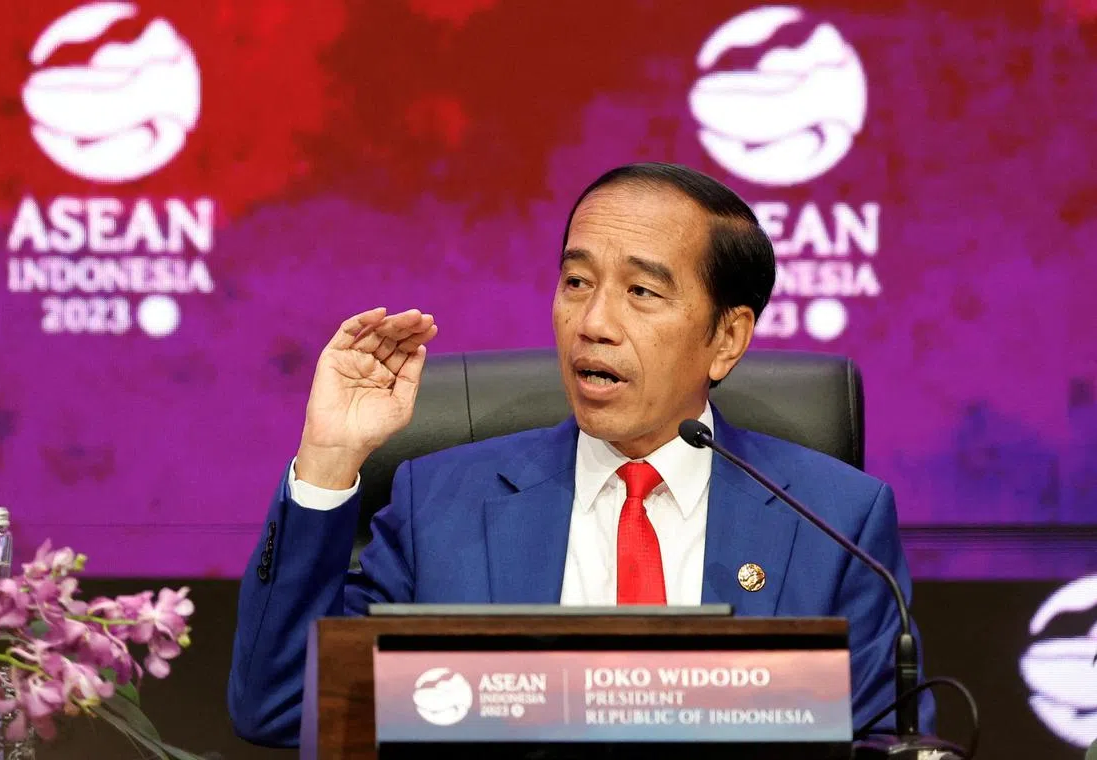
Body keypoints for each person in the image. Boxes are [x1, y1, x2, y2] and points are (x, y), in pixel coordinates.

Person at [227, 162, 934, 746]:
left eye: (641, 292)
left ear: (726, 338)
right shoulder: (442, 503)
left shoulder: (832, 520)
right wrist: (327, 458)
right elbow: (285, 706)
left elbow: (881, 742)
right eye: (577, 282)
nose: (594, 322)